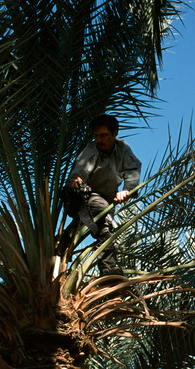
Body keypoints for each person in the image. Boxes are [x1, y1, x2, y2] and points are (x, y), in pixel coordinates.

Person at [64, 114, 141, 275]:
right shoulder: (91, 150)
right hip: (86, 197)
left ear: (115, 133)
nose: (99, 140)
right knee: (104, 224)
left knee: (99, 226)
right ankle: (108, 268)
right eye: (96, 136)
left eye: (104, 135)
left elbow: (132, 169)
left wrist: (127, 190)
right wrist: (75, 181)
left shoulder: (123, 149)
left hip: (107, 199)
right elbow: (80, 170)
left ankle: (64, 242)